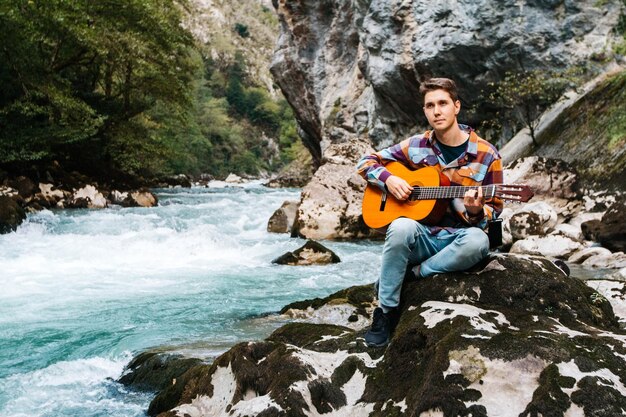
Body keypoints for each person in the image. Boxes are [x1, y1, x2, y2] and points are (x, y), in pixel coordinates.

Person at [356, 77, 503, 347]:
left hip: (456, 242)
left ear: (456, 107)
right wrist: (388, 179)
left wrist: (475, 212)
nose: (437, 111)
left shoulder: (486, 154)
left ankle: (414, 275)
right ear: (424, 111)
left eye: (443, 103)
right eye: (430, 105)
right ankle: (386, 312)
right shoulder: (416, 146)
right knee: (400, 226)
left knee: (478, 241)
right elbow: (365, 162)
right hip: (422, 236)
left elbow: (494, 211)